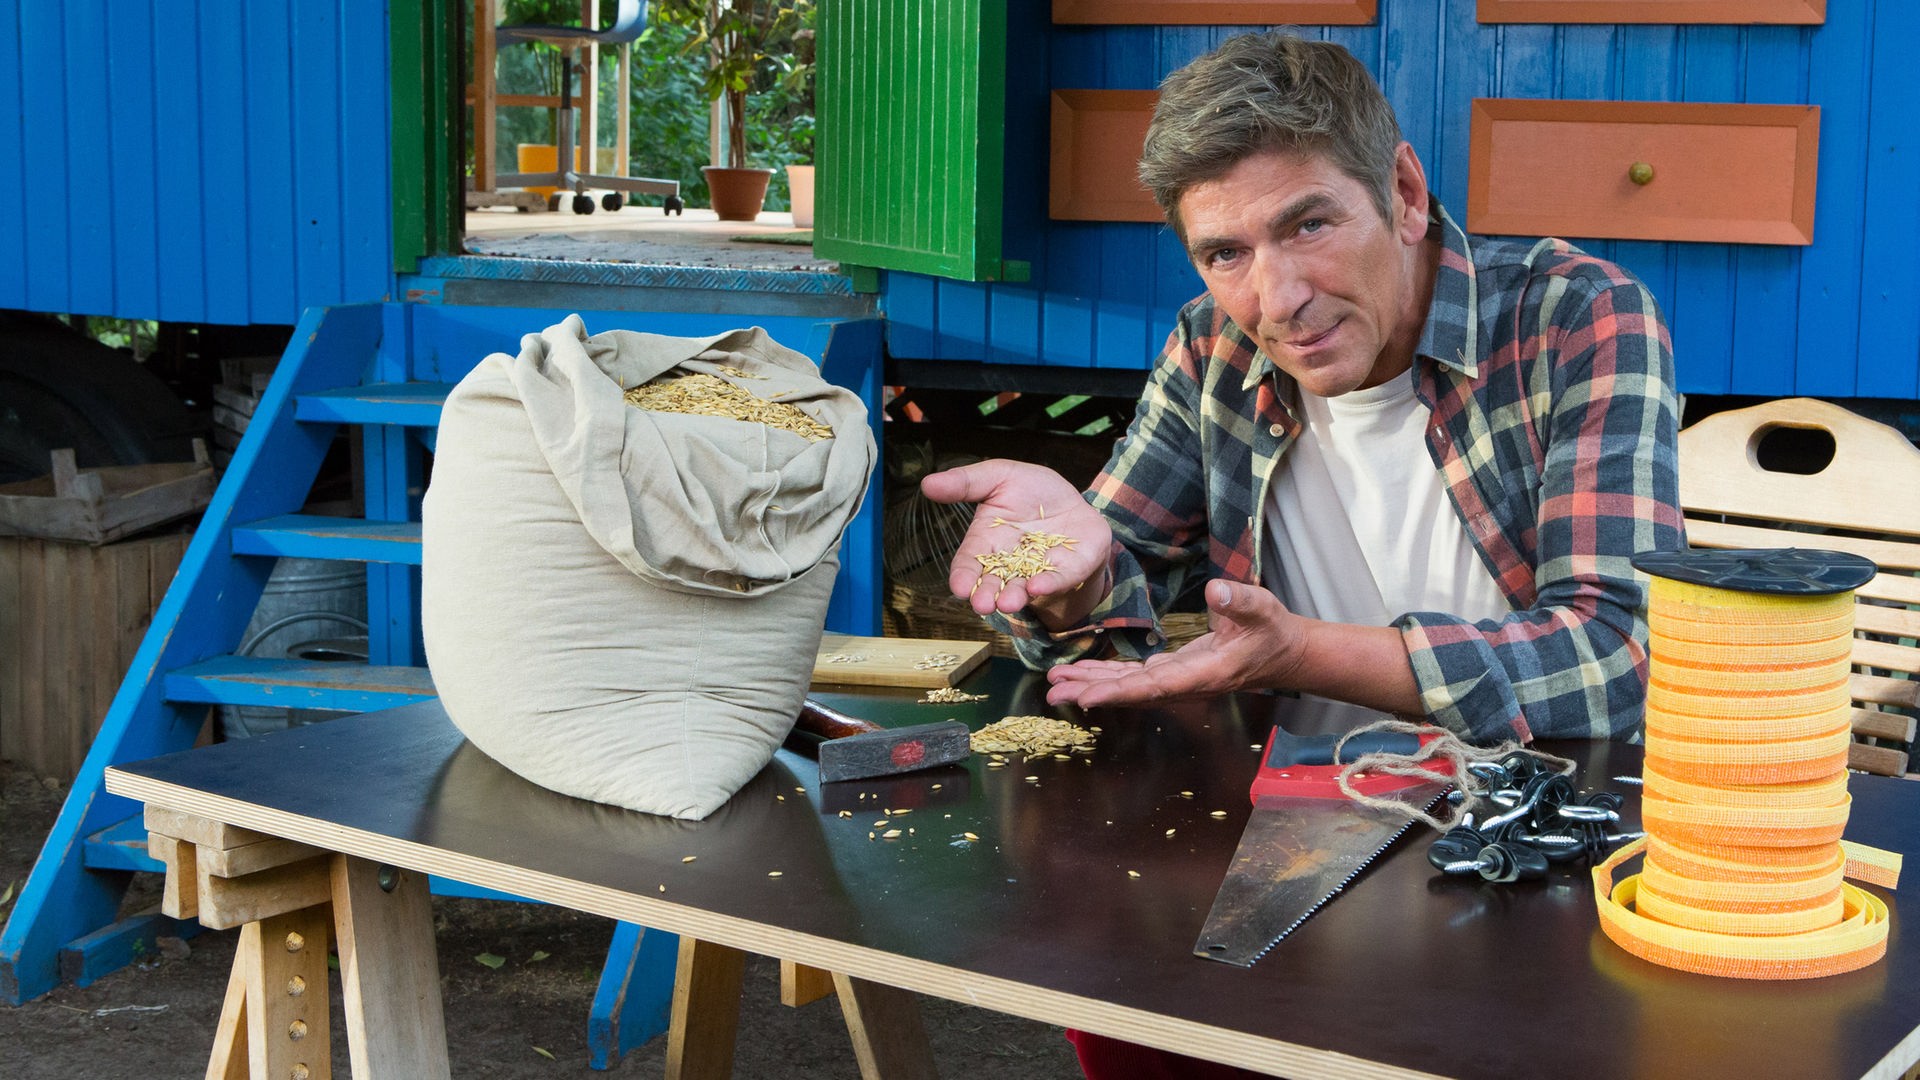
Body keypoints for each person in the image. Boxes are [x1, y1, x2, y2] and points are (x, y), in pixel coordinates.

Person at [923, 30, 1685, 749]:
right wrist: (1071, 584)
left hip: (1537, 805)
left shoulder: (1576, 318)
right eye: (1226, 254)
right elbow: (1098, 642)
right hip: (1288, 801)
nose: (1279, 299)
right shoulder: (1212, 347)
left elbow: (1617, 658)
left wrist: (1301, 654)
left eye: (1309, 226)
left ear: (1405, 195)